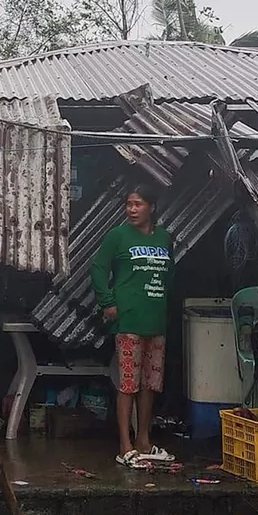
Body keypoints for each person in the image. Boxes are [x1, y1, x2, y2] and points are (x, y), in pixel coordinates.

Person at [90, 183, 173, 468]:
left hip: (156, 320)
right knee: (127, 384)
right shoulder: (117, 236)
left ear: (151, 207)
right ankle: (124, 445)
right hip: (128, 319)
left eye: (138, 204)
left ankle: (144, 441)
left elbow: (168, 276)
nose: (132, 209)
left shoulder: (164, 238)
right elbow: (98, 268)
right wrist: (107, 301)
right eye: (129, 204)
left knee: (150, 384)